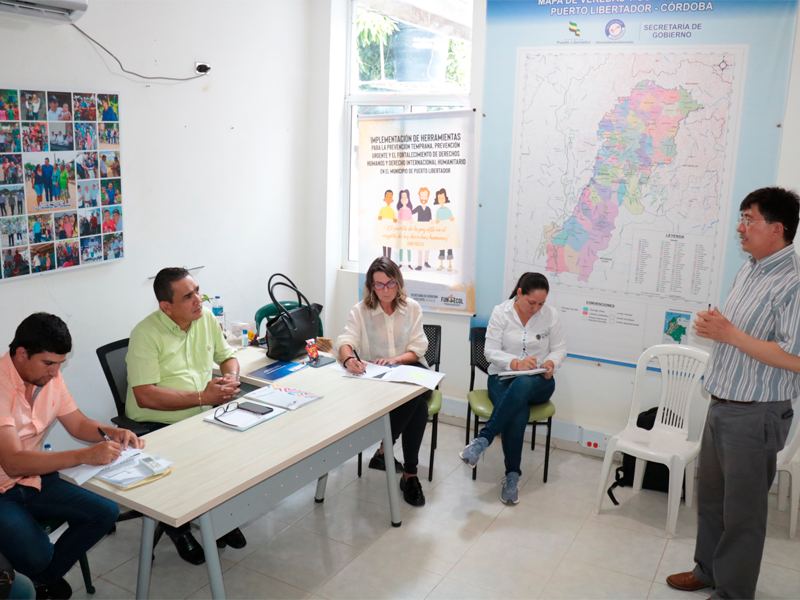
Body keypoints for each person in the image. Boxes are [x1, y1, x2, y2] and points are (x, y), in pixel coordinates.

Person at [667, 187, 800, 600]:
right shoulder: (750, 269)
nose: (740, 228)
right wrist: (719, 326)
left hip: (756, 414)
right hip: (722, 403)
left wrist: (730, 334)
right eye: (741, 218)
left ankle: (733, 592)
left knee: (743, 514)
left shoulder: (793, 283)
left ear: (776, 229)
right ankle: (706, 571)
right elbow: (743, 334)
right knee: (712, 501)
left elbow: (796, 358)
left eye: (749, 219)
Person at [0, 313, 145, 600]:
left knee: (105, 512)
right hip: (3, 489)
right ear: (21, 353)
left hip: (34, 478)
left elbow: (77, 423)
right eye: (49, 364)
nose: (54, 373)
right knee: (38, 555)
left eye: (59, 364)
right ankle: (38, 575)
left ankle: (42, 581)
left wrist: (110, 432)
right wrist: (85, 455)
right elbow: (13, 462)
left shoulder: (49, 377)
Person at [125, 268, 245, 565]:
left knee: (240, 451)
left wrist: (231, 377)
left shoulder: (205, 319)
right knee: (189, 467)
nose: (198, 300)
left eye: (198, 291)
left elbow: (227, 357)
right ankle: (177, 530)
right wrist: (204, 397)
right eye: (188, 296)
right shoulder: (145, 334)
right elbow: (145, 395)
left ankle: (219, 518)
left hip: (203, 412)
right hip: (158, 422)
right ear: (166, 307)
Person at [460, 272, 566, 504]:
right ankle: (512, 476)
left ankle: (482, 440)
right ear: (519, 293)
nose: (536, 308)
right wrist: (515, 363)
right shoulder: (501, 312)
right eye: (532, 302)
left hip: (539, 382)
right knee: (518, 411)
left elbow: (559, 348)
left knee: (525, 381)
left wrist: (550, 363)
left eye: (541, 303)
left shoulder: (551, 315)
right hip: (502, 378)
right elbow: (490, 352)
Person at [335, 257, 432, 506]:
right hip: (375, 378)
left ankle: (383, 452)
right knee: (418, 404)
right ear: (370, 286)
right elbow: (345, 342)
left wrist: (396, 360)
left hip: (406, 367)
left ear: (398, 283)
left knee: (417, 395)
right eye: (379, 285)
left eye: (390, 284)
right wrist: (348, 361)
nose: (385, 290)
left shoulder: (412, 307)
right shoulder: (360, 310)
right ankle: (409, 474)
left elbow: (419, 347)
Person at [434, 188, 455, 271]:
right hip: (442, 234)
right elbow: (437, 221)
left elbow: (451, 218)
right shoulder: (438, 211)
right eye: (439, 198)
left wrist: (452, 219)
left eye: (442, 198)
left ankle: (450, 264)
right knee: (441, 250)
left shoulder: (448, 210)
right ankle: (441, 264)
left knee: (449, 249)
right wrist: (437, 221)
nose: (441, 200)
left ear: (445, 198)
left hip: (448, 233)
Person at [413, 187, 433, 270]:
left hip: (427, 231)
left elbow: (430, 218)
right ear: (419, 197)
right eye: (422, 196)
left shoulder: (428, 209)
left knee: (427, 247)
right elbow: (411, 212)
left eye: (425, 196)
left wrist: (431, 221)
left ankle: (426, 262)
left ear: (428, 197)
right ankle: (420, 264)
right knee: (420, 248)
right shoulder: (418, 208)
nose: (424, 198)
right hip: (420, 231)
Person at [395, 189, 414, 270]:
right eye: (402, 197)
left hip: (408, 232)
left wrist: (410, 222)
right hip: (402, 232)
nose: (404, 199)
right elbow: (399, 221)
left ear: (408, 199)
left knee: (408, 247)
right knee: (401, 247)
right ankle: (400, 262)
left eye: (405, 197)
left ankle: (409, 263)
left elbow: (411, 220)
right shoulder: (400, 210)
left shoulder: (409, 210)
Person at [377, 190, 396, 261]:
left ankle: (389, 259)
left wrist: (395, 220)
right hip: (384, 231)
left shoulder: (392, 211)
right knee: (384, 245)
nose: (388, 198)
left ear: (392, 199)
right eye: (387, 196)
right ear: (384, 198)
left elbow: (394, 220)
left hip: (390, 231)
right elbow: (379, 218)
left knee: (389, 245)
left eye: (390, 197)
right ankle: (385, 258)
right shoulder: (382, 209)